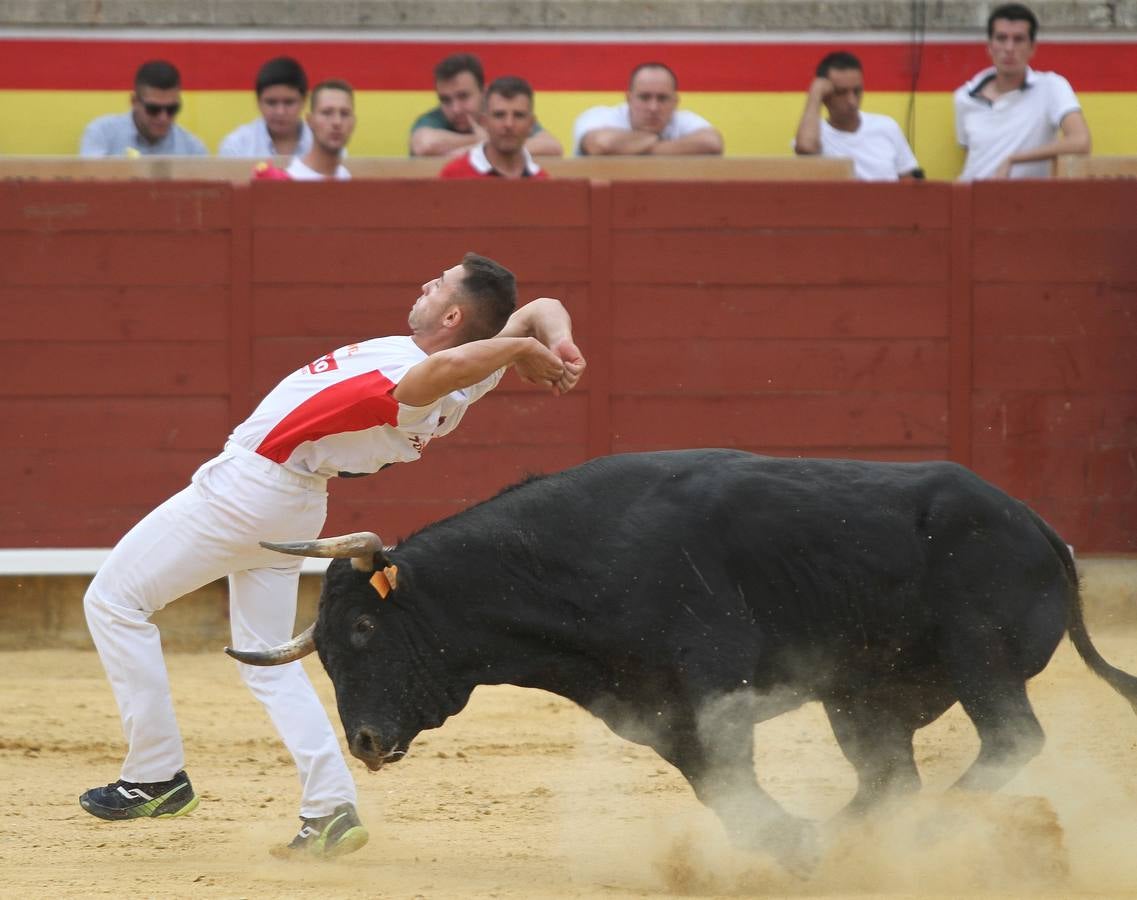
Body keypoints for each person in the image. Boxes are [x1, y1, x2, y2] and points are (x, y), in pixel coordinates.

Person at [79, 253, 587, 859]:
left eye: (439, 283)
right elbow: (537, 310)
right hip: (292, 501)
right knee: (267, 660)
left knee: (113, 602)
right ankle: (329, 809)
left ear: (452, 315)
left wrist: (517, 351)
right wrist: (556, 345)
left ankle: (156, 776)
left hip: (250, 487)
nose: (425, 281)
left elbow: (455, 360)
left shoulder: (424, 381)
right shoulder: (469, 375)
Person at [954, 2, 1091, 180]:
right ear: (989, 46)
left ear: (1032, 48)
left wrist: (1014, 159)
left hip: (1026, 201)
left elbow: (1081, 141)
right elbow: (972, 157)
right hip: (972, 198)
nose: (1009, 48)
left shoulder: (1051, 87)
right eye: (1001, 38)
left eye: (1018, 39)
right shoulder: (965, 97)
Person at [793, 51, 921, 181]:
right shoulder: (815, 133)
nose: (852, 101)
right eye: (841, 92)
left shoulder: (887, 126)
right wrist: (815, 92)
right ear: (825, 95)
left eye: (857, 91)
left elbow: (908, 180)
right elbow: (806, 148)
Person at [409, 53, 562, 158]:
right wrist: (487, 140)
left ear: (483, 92)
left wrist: (484, 148)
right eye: (445, 100)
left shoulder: (499, 115)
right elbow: (425, 145)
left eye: (463, 96)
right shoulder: (434, 118)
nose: (455, 108)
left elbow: (552, 147)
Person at [572, 62, 724, 157]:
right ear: (628, 99)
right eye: (644, 98)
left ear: (675, 102)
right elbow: (601, 144)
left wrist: (634, 148)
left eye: (662, 98)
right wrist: (661, 141)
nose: (653, 107)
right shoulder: (599, 115)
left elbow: (712, 142)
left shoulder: (683, 119)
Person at [79, 60, 207, 157]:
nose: (163, 117)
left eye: (171, 109)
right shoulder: (102, 134)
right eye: (153, 109)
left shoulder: (192, 148)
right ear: (134, 102)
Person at [439, 76, 549, 179]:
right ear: (484, 122)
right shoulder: (454, 176)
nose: (509, 124)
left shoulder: (542, 181)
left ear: (531, 124)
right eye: (499, 115)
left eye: (518, 115)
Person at [219, 56, 313, 158]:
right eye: (271, 102)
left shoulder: (321, 143)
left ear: (304, 101)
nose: (280, 112)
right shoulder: (237, 145)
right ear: (258, 102)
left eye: (289, 102)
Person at [285, 79, 355, 180]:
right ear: (310, 121)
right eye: (327, 113)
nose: (337, 122)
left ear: (353, 122)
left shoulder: (346, 177)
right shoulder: (291, 179)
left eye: (344, 113)